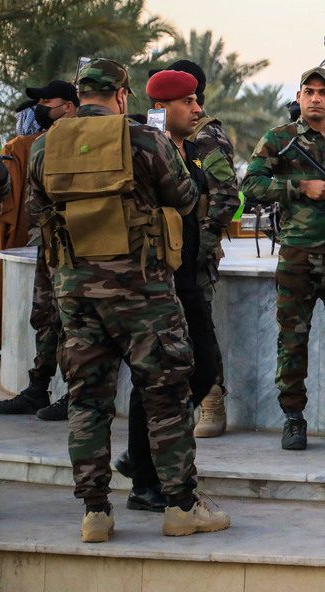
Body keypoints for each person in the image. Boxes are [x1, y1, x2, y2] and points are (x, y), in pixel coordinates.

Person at [25, 58, 230, 542]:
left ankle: (96, 513)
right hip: (143, 291)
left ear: (80, 94)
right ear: (122, 94)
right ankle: (180, 506)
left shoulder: (42, 146)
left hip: (75, 293)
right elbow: (182, 196)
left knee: (87, 402)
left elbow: (38, 210)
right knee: (165, 396)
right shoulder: (143, 139)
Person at [242, 67, 325, 451]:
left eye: (323, 92)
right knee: (293, 341)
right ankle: (293, 420)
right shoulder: (279, 139)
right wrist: (300, 186)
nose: (316, 98)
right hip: (300, 255)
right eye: (309, 92)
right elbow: (250, 185)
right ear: (299, 98)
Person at [116, 70, 230, 512]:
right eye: (189, 102)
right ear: (165, 107)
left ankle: (147, 455)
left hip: (187, 274)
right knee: (154, 378)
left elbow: (216, 198)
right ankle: (145, 480)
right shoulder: (144, 145)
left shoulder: (196, 147)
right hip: (156, 280)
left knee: (203, 367)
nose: (198, 109)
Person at [165, 59, 240, 439]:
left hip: (194, 253)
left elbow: (227, 196)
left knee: (199, 330)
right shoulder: (155, 135)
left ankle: (212, 402)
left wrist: (203, 244)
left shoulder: (207, 137)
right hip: (162, 252)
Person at [0, 81, 80, 420]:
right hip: (48, 244)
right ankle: (37, 388)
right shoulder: (36, 145)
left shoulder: (84, 142)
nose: (42, 107)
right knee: (44, 317)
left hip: (81, 248)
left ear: (70, 106)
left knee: (77, 323)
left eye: (49, 100)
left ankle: (75, 396)